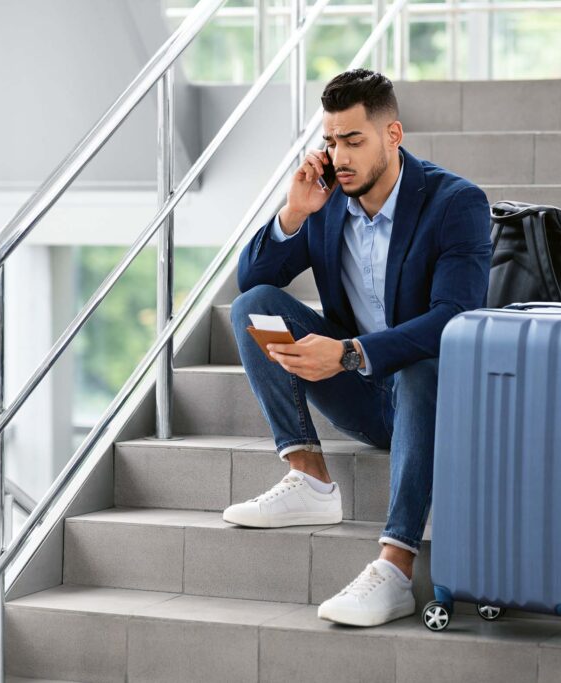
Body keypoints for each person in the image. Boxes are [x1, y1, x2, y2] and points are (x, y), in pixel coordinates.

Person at [225, 68, 491, 627]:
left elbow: (454, 320)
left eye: (353, 140)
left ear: (392, 135)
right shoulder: (328, 204)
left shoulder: (455, 203)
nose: (339, 156)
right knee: (256, 308)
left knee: (423, 363)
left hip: (435, 401)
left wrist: (348, 352)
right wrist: (295, 211)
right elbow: (251, 280)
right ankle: (309, 476)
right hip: (369, 401)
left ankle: (394, 566)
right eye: (330, 141)